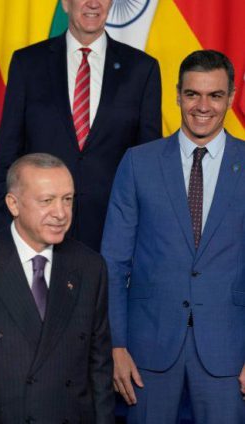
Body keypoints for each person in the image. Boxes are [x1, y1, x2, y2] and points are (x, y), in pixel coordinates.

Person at [103, 50, 245, 423]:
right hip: (146, 353)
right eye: (192, 94)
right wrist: (116, 346)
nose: (203, 106)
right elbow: (113, 263)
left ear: (231, 97)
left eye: (215, 95)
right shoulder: (138, 162)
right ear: (177, 94)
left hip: (229, 352)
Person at [0, 153, 113, 423]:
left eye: (67, 199)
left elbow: (100, 369)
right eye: (47, 201)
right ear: (13, 204)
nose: (61, 213)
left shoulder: (89, 267)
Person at [0, 0, 161, 252]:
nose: (93, 3)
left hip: (113, 236)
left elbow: (149, 167)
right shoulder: (28, 64)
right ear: (65, 4)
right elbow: (7, 157)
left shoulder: (141, 69)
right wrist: (1, 243)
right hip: (38, 235)